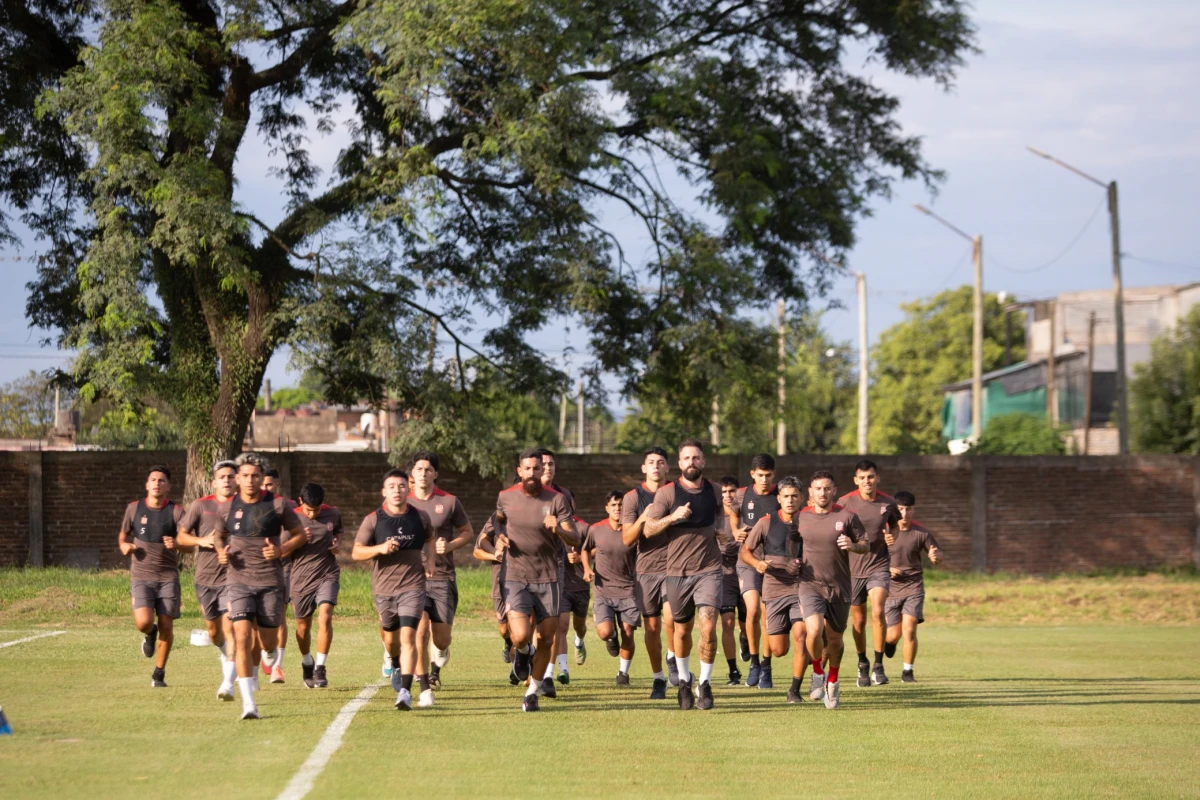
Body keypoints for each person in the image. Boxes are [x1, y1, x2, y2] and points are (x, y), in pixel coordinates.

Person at [214, 453, 309, 719]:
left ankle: (269, 655)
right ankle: (249, 703)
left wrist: (281, 549)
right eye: (244, 475)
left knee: (267, 641)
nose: (249, 480)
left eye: (255, 475)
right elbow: (219, 536)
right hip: (238, 581)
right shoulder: (226, 507)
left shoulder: (278, 505)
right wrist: (221, 551)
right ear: (237, 478)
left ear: (262, 477)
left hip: (270, 582)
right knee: (242, 637)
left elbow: (301, 535)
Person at [643, 438, 728, 711]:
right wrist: (673, 517)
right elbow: (648, 530)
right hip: (677, 572)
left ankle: (704, 684)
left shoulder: (714, 491)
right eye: (687, 458)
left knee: (708, 626)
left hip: (709, 570)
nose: (692, 462)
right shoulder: (667, 494)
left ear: (703, 461)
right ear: (679, 464)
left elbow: (723, 520)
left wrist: (726, 535)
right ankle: (683, 682)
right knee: (681, 632)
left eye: (696, 458)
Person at [494, 448, 577, 712]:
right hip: (516, 576)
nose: (532, 473)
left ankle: (532, 692)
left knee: (547, 638)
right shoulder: (505, 497)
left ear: (543, 471)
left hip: (549, 578)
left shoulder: (557, 500)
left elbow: (575, 538)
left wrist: (559, 529)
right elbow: (498, 521)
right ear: (519, 471)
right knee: (519, 636)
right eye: (527, 468)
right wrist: (499, 536)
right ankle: (523, 652)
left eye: (537, 468)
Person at [352, 469, 436, 711]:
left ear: (407, 489)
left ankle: (406, 692)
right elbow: (357, 551)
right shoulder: (374, 519)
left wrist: (430, 561)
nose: (397, 491)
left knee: (409, 636)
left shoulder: (420, 517)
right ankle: (394, 661)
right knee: (391, 639)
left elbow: (430, 539)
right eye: (391, 487)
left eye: (401, 486)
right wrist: (379, 548)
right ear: (384, 491)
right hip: (384, 589)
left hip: (413, 586)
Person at [405, 451, 474, 701]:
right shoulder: (403, 503)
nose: (423, 473)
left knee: (441, 638)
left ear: (435, 474)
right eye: (419, 469)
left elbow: (467, 532)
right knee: (420, 633)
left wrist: (452, 545)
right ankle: (424, 684)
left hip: (443, 576)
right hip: (413, 578)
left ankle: (439, 658)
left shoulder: (449, 501)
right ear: (412, 474)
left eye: (428, 469)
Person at [796, 471, 868, 710]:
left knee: (835, 640)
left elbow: (865, 544)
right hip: (810, 584)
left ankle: (833, 680)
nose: (822, 493)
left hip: (839, 586)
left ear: (834, 491)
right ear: (810, 492)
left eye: (827, 488)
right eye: (818, 488)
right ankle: (818, 672)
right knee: (813, 631)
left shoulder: (847, 516)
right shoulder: (801, 517)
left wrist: (853, 545)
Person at [740, 477, 810, 704]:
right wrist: (758, 564)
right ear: (778, 499)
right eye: (786, 496)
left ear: (802, 498)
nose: (790, 501)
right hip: (774, 589)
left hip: (802, 587)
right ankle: (818, 651)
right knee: (779, 650)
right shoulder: (766, 522)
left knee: (801, 635)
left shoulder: (809, 521)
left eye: (794, 496)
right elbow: (746, 552)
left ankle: (794, 690)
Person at [117, 465, 187, 688]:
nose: (157, 483)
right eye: (153, 480)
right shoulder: (134, 508)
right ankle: (150, 633)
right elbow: (123, 535)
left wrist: (177, 543)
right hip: (141, 577)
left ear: (168, 486)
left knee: (167, 624)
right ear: (147, 484)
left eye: (162, 480)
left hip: (168, 578)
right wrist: (124, 546)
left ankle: (159, 673)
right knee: (143, 622)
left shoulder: (177, 512)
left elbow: (189, 545)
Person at [176, 460, 239, 700]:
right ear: (214, 482)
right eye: (222, 476)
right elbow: (181, 538)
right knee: (214, 633)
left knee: (230, 628)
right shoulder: (200, 506)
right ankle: (226, 654)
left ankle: (227, 684)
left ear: (237, 480)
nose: (226, 480)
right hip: (205, 578)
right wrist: (200, 542)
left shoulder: (245, 507)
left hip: (234, 579)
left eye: (230, 476)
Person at [840, 460, 900, 688]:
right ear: (856, 480)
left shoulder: (888, 502)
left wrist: (891, 536)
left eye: (871, 477)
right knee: (858, 620)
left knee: (877, 611)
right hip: (852, 570)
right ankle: (862, 662)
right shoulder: (845, 502)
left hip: (879, 565)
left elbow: (894, 525)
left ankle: (878, 665)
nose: (867, 481)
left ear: (878, 478)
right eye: (863, 478)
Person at [620, 446, 674, 700]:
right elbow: (627, 539)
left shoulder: (677, 491)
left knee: (672, 619)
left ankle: (674, 657)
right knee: (652, 629)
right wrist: (643, 518)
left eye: (660, 462)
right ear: (644, 468)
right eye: (651, 462)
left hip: (676, 566)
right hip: (647, 570)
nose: (656, 466)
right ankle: (658, 678)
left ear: (667, 468)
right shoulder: (633, 497)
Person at [728, 453, 779, 688]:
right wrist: (736, 530)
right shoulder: (741, 494)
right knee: (752, 610)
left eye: (769, 475)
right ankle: (754, 663)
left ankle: (767, 667)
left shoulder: (781, 496)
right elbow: (732, 511)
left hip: (773, 564)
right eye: (761, 475)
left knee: (769, 616)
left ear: (774, 474)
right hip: (747, 561)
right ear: (752, 475)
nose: (765, 479)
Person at [579, 490, 639, 685]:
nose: (618, 509)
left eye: (621, 505)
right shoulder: (596, 529)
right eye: (613, 505)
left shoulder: (634, 530)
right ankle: (611, 636)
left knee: (628, 631)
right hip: (603, 590)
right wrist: (587, 568)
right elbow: (585, 549)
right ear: (607, 508)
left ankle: (623, 673)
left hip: (629, 588)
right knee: (604, 632)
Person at [883, 491, 942, 683]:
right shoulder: (885, 532)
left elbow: (936, 554)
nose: (904, 513)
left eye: (908, 509)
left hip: (913, 587)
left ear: (913, 510)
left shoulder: (922, 533)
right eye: (900, 509)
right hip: (890, 589)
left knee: (909, 629)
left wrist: (936, 557)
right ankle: (888, 643)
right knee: (894, 635)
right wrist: (888, 569)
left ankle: (907, 672)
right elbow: (871, 558)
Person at [290, 483, 342, 690]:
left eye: (317, 509)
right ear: (300, 502)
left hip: (327, 573)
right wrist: (297, 540)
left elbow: (338, 532)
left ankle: (320, 667)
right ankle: (307, 661)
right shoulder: (289, 518)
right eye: (309, 509)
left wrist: (337, 544)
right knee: (303, 627)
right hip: (300, 578)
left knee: (326, 615)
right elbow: (280, 551)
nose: (313, 514)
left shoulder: (333, 514)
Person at [537, 448, 578, 686]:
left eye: (551, 464)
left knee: (554, 621)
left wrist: (560, 531)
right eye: (543, 464)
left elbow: (573, 535)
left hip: (556, 565)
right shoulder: (524, 495)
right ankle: (526, 659)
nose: (548, 468)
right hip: (528, 566)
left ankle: (549, 674)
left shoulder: (562, 496)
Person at [259, 468, 290, 683]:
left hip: (283, 568)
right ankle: (261, 654)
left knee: (279, 617)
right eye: (263, 484)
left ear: (277, 484)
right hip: (252, 570)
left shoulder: (287, 507)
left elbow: (300, 535)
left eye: (269, 484)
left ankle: (278, 665)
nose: (265, 488)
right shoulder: (246, 505)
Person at [472, 513, 511, 665]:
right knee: (504, 629)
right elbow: (477, 551)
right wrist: (496, 555)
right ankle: (508, 643)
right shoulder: (497, 519)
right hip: (500, 582)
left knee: (523, 626)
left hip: (523, 581)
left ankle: (520, 666)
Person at [717, 477, 744, 687]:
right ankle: (733, 670)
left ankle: (746, 639)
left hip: (746, 571)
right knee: (727, 622)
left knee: (750, 619)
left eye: (731, 491)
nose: (728, 495)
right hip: (723, 575)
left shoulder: (746, 514)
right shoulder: (713, 516)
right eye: (724, 491)